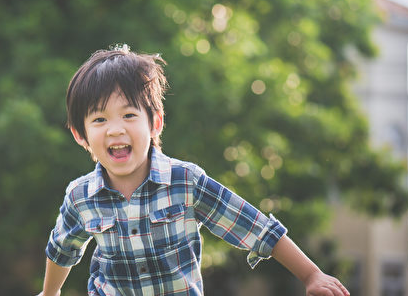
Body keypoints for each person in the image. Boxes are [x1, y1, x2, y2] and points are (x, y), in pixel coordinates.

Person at [39, 45, 350, 296]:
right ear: (81, 135)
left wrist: (311, 275)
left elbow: (254, 227)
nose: (115, 130)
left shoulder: (185, 182)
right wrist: (49, 294)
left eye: (129, 114)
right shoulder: (81, 197)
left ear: (155, 122)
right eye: (99, 120)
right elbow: (63, 248)